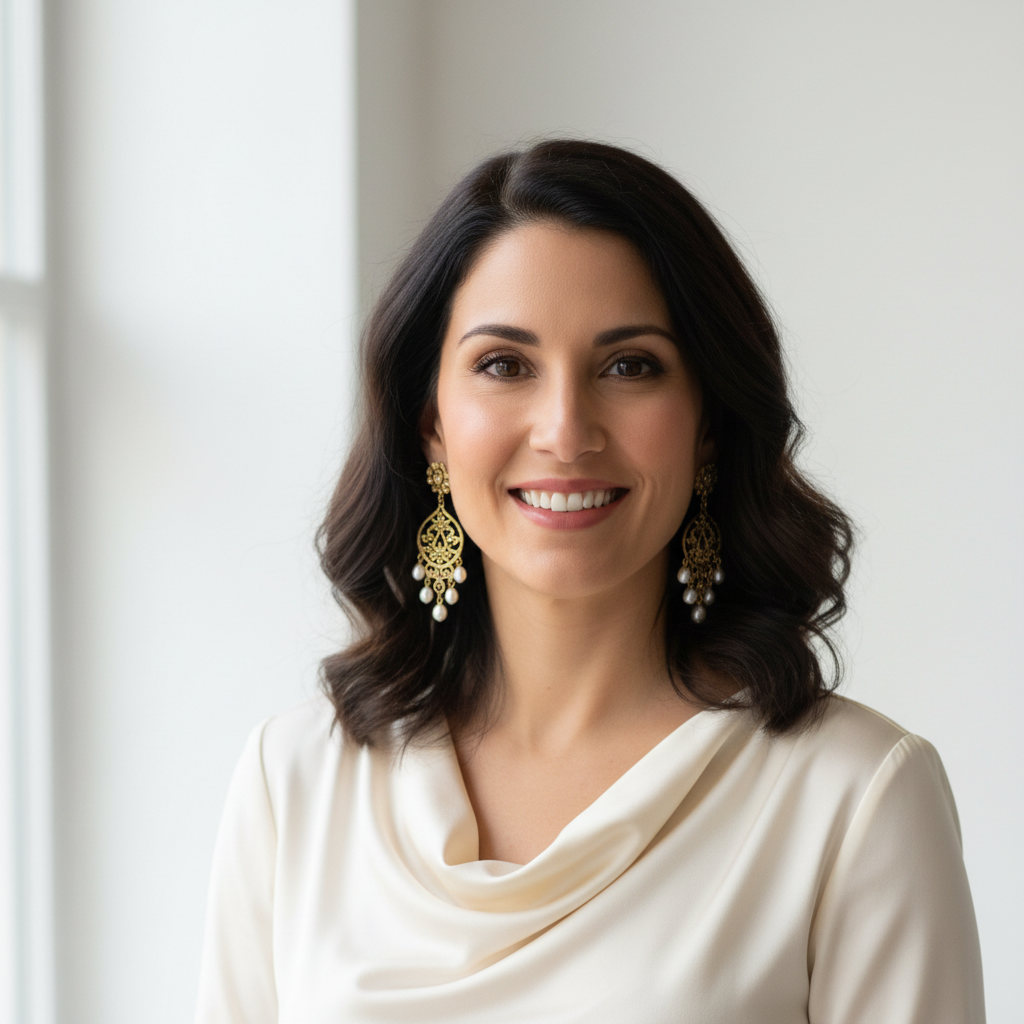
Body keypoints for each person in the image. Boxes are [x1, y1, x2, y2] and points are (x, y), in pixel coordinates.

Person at [194, 140, 984, 1023]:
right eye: (505, 365)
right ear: (431, 427)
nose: (566, 430)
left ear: (710, 426)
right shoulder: (294, 781)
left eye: (629, 366)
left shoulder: (854, 796)